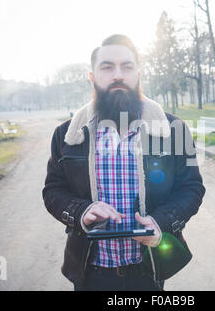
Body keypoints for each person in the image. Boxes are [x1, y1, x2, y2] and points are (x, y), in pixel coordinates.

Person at [42, 34, 205, 291]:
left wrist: (160, 224)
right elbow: (53, 191)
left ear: (138, 74)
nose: (118, 75)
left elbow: (191, 189)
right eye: (107, 67)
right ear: (92, 76)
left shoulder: (174, 129)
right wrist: (81, 212)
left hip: (149, 271)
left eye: (127, 66)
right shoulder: (66, 134)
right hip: (90, 273)